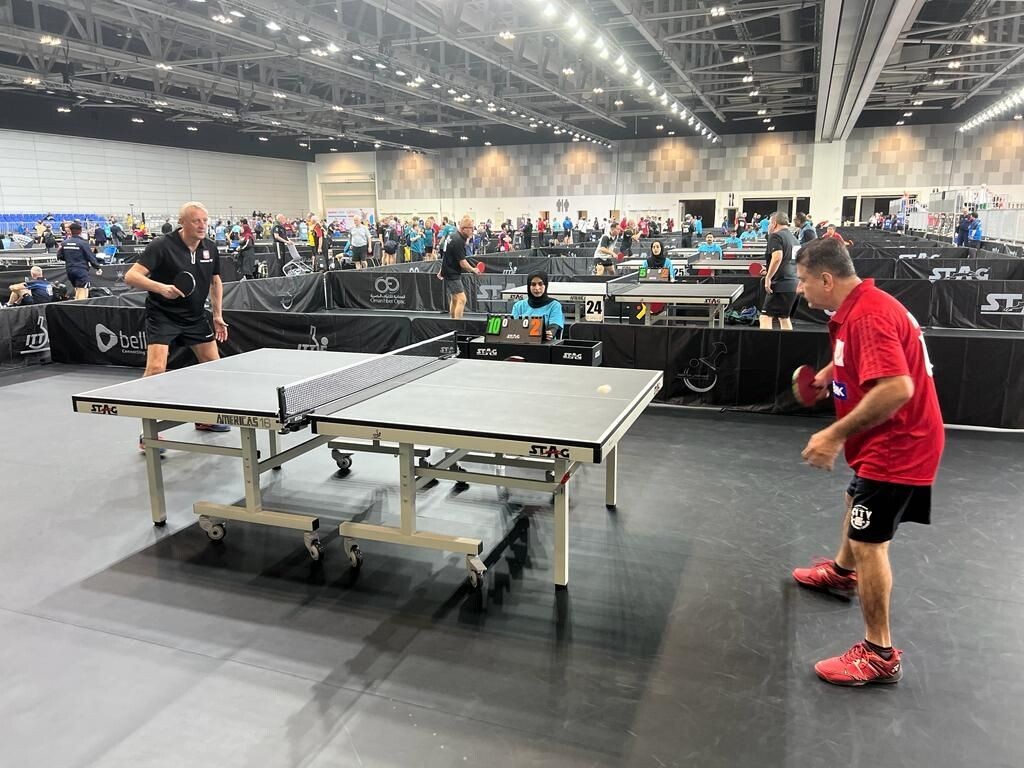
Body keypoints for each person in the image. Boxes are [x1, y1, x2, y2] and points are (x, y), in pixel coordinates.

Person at [791, 236, 944, 686]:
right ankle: (841, 574)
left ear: (826, 279)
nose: (799, 289)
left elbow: (897, 388)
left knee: (870, 542)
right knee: (854, 500)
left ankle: (880, 654)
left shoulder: (868, 316)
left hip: (899, 443)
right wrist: (828, 374)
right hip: (886, 440)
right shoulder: (858, 307)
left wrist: (833, 434)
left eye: (802, 281)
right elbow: (857, 358)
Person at [124, 201, 230, 450]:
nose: (202, 225)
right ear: (182, 223)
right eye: (196, 221)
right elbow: (131, 276)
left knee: (213, 367)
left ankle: (205, 418)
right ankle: (147, 432)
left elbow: (215, 282)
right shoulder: (161, 246)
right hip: (163, 315)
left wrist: (217, 315)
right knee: (155, 369)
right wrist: (161, 288)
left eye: (205, 220)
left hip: (195, 316)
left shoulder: (210, 247)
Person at [760, 211, 799, 331]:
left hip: (780, 284)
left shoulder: (775, 236)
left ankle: (765, 343)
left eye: (769, 223)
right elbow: (790, 261)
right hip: (794, 284)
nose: (768, 226)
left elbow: (777, 257)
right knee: (784, 318)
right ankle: (787, 343)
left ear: (774, 223)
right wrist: (768, 269)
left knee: (765, 317)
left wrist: (768, 277)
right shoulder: (794, 239)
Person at [439, 215, 477, 320]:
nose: (472, 231)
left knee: (455, 298)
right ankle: (457, 324)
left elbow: (446, 254)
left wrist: (442, 269)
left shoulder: (452, 235)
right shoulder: (458, 241)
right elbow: (463, 263)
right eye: (471, 228)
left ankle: (453, 322)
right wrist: (473, 269)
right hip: (452, 273)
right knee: (462, 299)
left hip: (448, 270)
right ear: (464, 229)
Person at [511, 270, 564, 341]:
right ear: (529, 286)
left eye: (540, 284)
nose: (537, 288)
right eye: (533, 284)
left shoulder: (555, 305)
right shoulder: (518, 306)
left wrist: (550, 333)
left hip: (545, 344)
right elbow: (513, 329)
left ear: (545, 285)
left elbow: (553, 328)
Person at [56, 221, 103, 300]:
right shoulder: (83, 243)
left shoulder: (64, 243)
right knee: (83, 291)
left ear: (70, 231)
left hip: (70, 270)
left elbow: (59, 256)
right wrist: (98, 267)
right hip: (81, 270)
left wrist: (69, 259)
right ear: (80, 231)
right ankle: (81, 306)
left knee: (77, 290)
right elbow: (90, 256)